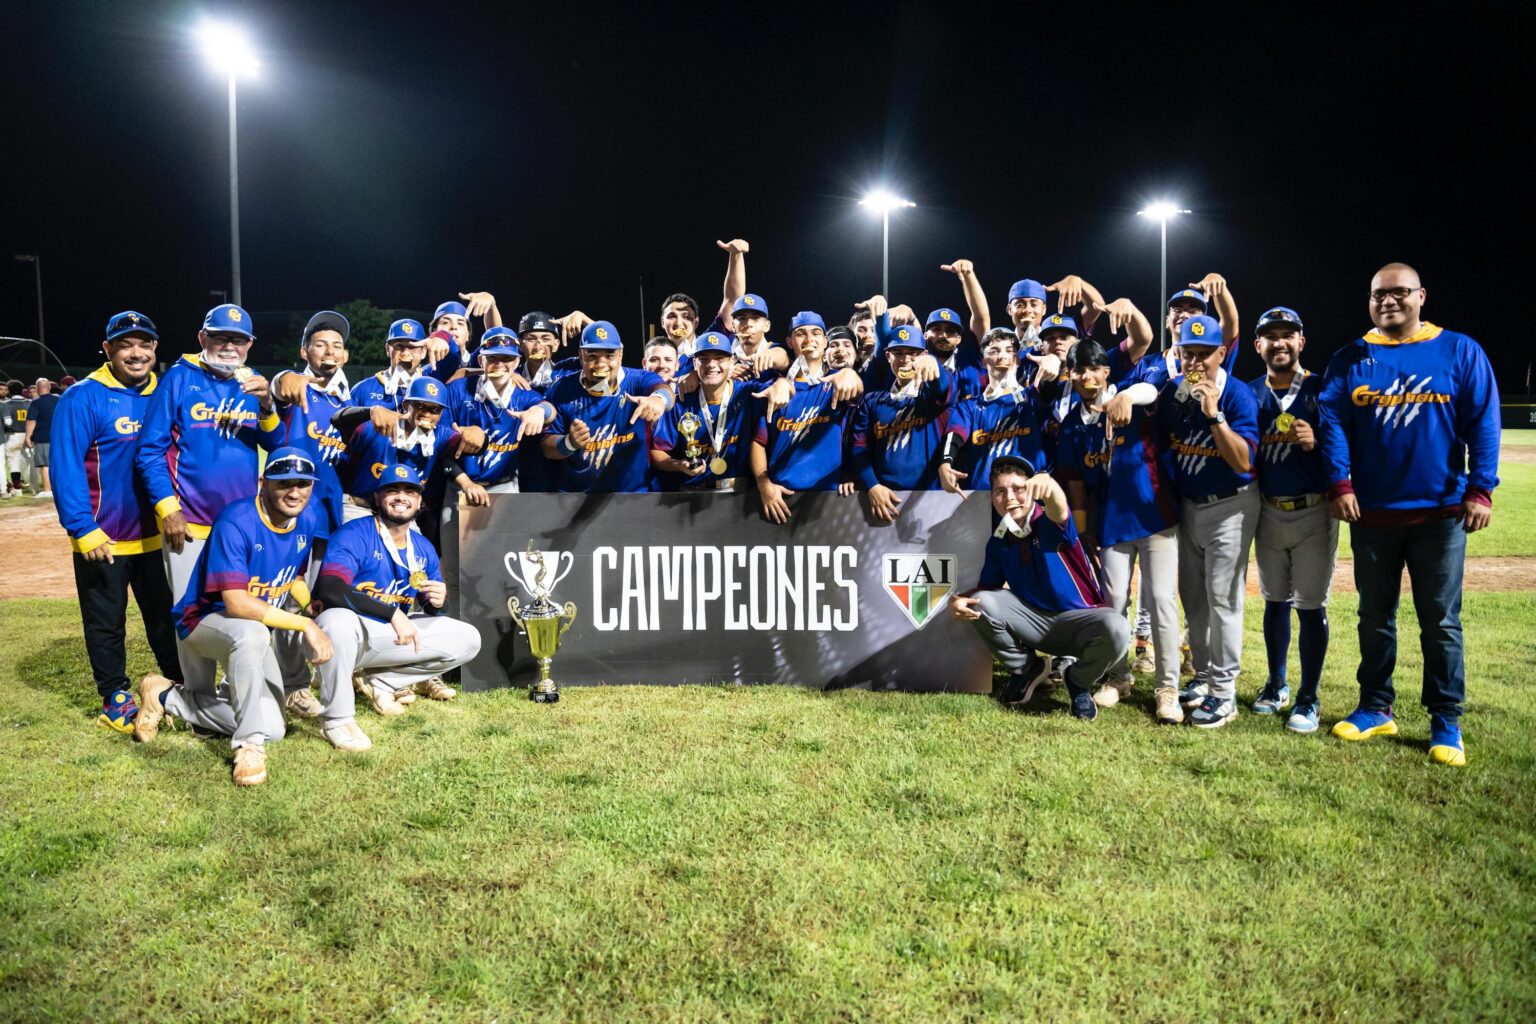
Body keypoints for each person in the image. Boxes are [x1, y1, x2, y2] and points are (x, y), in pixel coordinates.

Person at [1318, 263, 1500, 766]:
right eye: (1379, 294)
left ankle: (1446, 719)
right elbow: (1332, 423)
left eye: (1399, 293)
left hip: (1439, 515)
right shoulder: (1351, 358)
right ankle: (1376, 707)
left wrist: (1481, 489)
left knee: (1439, 621)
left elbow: (1484, 421)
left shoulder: (1459, 350)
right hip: (1372, 514)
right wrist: (1340, 482)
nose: (1388, 301)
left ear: (1421, 296)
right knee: (1374, 618)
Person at [132, 448, 334, 788]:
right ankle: (248, 745)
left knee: (276, 728)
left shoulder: (308, 518)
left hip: (251, 629)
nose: (295, 492)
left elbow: (292, 577)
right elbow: (237, 603)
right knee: (253, 635)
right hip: (204, 621)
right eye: (284, 483)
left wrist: (310, 604)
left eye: (303, 484)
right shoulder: (237, 520)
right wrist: (304, 624)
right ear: (264, 483)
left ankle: (166, 697)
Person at [50, 311, 182, 732]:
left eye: (144, 344)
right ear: (107, 350)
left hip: (158, 534)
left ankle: (177, 684)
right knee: (106, 621)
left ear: (155, 349)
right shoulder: (83, 396)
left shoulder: (167, 392)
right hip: (103, 536)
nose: (136, 353)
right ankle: (115, 695)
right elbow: (65, 465)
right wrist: (81, 527)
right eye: (126, 345)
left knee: (167, 616)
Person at [1054, 339, 1182, 722]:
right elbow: (1075, 484)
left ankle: (1167, 687)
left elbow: (1152, 389)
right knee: (1112, 605)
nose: (1087, 377)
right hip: (1110, 525)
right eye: (1079, 370)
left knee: (1160, 600)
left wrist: (1126, 394)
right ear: (1070, 375)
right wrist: (1080, 533)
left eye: (1095, 368)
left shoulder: (1130, 396)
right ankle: (1118, 676)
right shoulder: (1072, 424)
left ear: (1106, 371)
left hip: (1153, 517)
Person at [949, 456, 1129, 721]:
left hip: (1078, 623)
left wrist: (1052, 487)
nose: (1009, 497)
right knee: (981, 603)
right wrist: (960, 600)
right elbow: (987, 589)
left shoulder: (1051, 524)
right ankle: (1027, 668)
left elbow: (1058, 506)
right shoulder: (999, 540)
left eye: (1018, 489)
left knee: (1118, 627)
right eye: (1000, 491)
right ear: (992, 498)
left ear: (1033, 491)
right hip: (1035, 624)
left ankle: (1078, 681)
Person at [134, 303, 284, 601]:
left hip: (242, 523)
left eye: (238, 340)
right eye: (220, 338)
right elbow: (149, 451)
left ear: (249, 344)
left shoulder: (252, 381)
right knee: (192, 617)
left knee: (241, 610)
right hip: (189, 524)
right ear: (203, 339)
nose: (230, 346)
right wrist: (168, 509)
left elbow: (276, 445)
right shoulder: (178, 378)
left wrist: (267, 405)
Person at [312, 465, 482, 727]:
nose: (401, 496)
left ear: (419, 502)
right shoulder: (354, 533)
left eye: (409, 492)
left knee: (468, 638)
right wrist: (392, 614)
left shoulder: (422, 546)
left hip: (392, 635)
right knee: (335, 620)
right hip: (353, 634)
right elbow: (330, 590)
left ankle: (381, 681)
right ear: (378, 498)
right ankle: (339, 719)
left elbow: (431, 606)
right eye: (392, 490)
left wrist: (439, 602)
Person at [1157, 314, 1261, 729]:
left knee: (1223, 600)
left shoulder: (1236, 395)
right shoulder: (1173, 393)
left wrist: (1215, 415)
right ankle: (1202, 677)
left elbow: (1242, 461)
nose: (1196, 362)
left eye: (1205, 353)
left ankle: (1224, 693)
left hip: (1231, 506)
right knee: (1194, 600)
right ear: (1178, 353)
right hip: (1188, 506)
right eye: (1189, 353)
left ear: (1222, 352)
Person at [1247, 306, 1336, 734]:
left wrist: (1316, 442)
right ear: (1257, 345)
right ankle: (1277, 684)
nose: (1279, 342)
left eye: (1288, 335)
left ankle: (1309, 697)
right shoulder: (1248, 393)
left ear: (1301, 342)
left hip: (1314, 510)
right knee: (1274, 599)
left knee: (1310, 604)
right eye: (1270, 335)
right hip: (1267, 510)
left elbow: (1346, 448)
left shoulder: (1324, 388)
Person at [751, 311, 864, 522]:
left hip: (832, 497)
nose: (809, 339)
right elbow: (758, 442)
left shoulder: (838, 384)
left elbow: (856, 389)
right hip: (782, 496)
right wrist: (763, 484)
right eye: (800, 333)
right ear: (790, 342)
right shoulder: (775, 389)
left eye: (816, 333)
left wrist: (851, 374)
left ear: (825, 342)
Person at [540, 321, 674, 493]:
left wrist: (658, 400)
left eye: (609, 355)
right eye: (593, 356)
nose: (601, 364)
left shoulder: (637, 380)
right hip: (577, 498)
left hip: (632, 496)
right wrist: (569, 443)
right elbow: (546, 447)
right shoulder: (561, 389)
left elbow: (664, 390)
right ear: (581, 355)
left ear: (621, 354)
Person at [333, 376, 487, 520]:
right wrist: (370, 411)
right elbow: (337, 420)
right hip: (361, 508)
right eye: (420, 406)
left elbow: (465, 450)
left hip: (402, 513)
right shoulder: (379, 427)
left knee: (421, 548)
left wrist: (480, 436)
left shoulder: (440, 435)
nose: (427, 414)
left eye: (435, 410)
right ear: (406, 405)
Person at [848, 324, 954, 521]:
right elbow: (858, 448)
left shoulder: (931, 396)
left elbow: (943, 387)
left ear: (923, 354)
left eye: (913, 354)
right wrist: (872, 485)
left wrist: (934, 364)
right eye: (898, 353)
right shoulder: (872, 401)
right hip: (882, 500)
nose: (906, 360)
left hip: (930, 499)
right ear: (888, 356)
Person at [269, 310, 354, 538]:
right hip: (290, 510)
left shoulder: (348, 402)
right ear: (304, 352)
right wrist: (284, 377)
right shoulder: (297, 388)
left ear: (345, 355)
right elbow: (280, 387)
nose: (330, 352)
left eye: (337, 346)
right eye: (321, 345)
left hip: (333, 512)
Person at [941, 328, 1049, 494]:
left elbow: (1052, 391)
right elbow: (955, 434)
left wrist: (1054, 362)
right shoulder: (970, 406)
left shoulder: (1033, 397)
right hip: (982, 500)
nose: (1002, 356)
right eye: (994, 351)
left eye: (1009, 350)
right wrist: (946, 462)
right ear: (984, 362)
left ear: (1017, 360)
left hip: (1026, 497)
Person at [448, 329, 555, 494]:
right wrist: (458, 436)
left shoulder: (523, 394)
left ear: (517, 362)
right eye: (492, 358)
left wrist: (539, 412)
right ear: (480, 360)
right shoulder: (458, 390)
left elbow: (549, 409)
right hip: (459, 485)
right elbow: (439, 445)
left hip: (505, 486)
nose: (499, 364)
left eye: (507, 358)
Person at [651, 331, 756, 491]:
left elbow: (782, 384)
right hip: (692, 494)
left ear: (732, 361)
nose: (711, 364)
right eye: (704, 359)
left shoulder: (748, 393)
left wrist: (782, 383)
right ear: (694, 363)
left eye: (719, 358)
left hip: (739, 494)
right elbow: (657, 451)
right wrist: (679, 465)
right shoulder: (681, 401)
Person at [349, 319, 461, 411]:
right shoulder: (363, 389)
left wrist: (441, 336)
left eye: (412, 347)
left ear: (423, 352)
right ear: (388, 349)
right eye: (399, 346)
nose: (405, 353)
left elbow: (455, 358)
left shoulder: (432, 378)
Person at [2, 378, 30, 497]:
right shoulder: (29, 402)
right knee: (28, 460)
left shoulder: (6, 404)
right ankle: (30, 485)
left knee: (13, 462)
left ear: (9, 390)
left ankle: (17, 489)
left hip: (13, 435)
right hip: (28, 434)